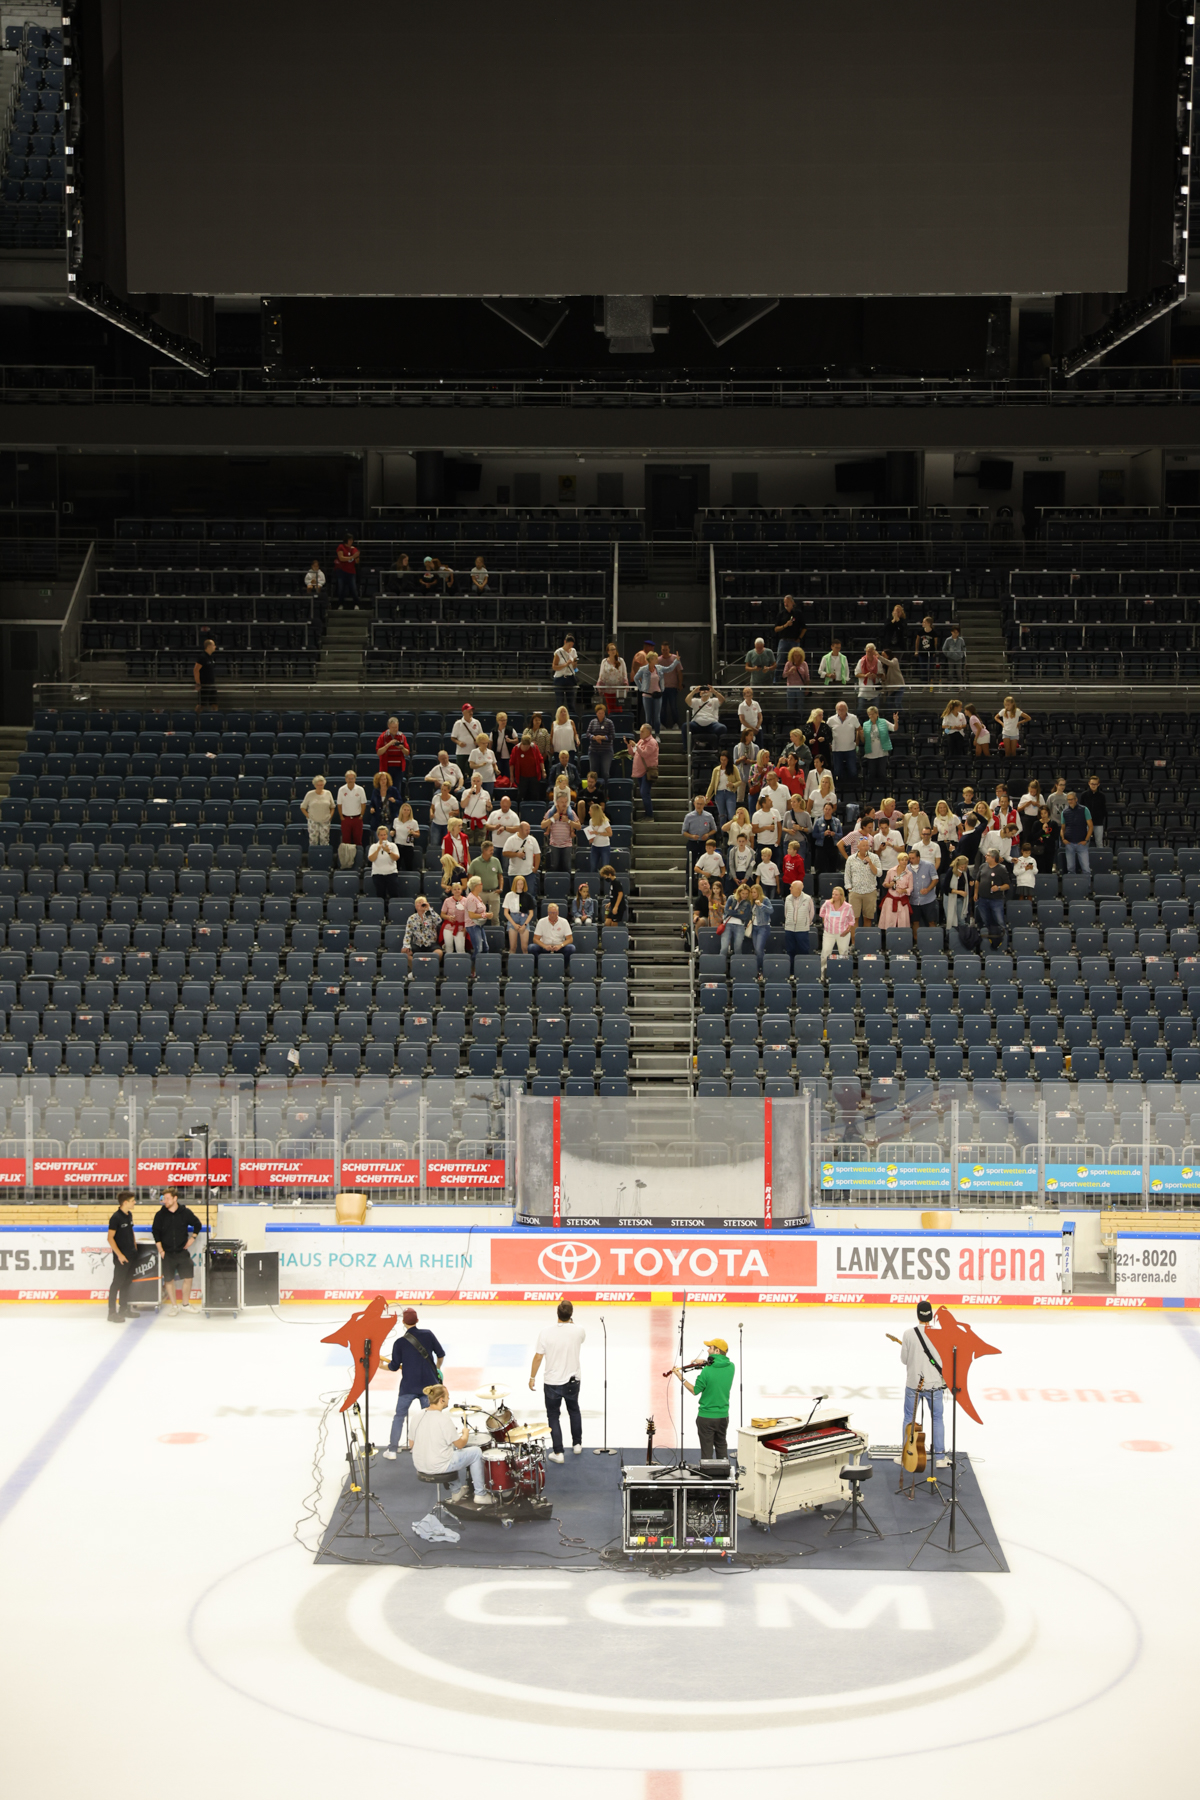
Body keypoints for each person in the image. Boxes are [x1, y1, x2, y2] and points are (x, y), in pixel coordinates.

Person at [410, 1383, 495, 1506]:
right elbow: (460, 1444)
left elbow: (411, 1444)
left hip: (419, 1465)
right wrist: (465, 1434)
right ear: (441, 1400)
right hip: (438, 1466)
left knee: (449, 1450)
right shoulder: (443, 1419)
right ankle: (480, 1494)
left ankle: (457, 1491)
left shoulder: (417, 1416)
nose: (449, 1399)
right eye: (447, 1396)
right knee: (476, 1452)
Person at [382, 1306, 445, 1457]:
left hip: (408, 1386)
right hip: (428, 1386)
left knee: (399, 1417)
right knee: (430, 1418)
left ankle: (392, 1450)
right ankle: (429, 1449)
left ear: (403, 1322)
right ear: (417, 1320)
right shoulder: (428, 1334)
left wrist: (381, 1366)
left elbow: (393, 1366)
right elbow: (441, 1354)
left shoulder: (399, 1342)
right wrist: (437, 1368)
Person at [529, 1299, 586, 1461]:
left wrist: (532, 1377)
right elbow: (579, 1336)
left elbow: (538, 1356)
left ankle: (559, 1452)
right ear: (571, 1314)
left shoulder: (545, 1332)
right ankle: (577, 1444)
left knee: (553, 1415)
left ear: (557, 1314)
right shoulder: (579, 1331)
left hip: (552, 1382)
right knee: (574, 1410)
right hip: (572, 1380)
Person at [898, 1300, 948, 1471]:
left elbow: (904, 1360)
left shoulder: (908, 1334)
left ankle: (906, 1455)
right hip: (934, 1384)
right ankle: (939, 1457)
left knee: (909, 1418)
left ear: (918, 1315)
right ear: (931, 1315)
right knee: (937, 1418)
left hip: (914, 1384)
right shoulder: (941, 1334)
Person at [674, 1337, 735, 1461]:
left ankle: (708, 1471)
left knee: (707, 1451)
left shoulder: (706, 1371)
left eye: (710, 1348)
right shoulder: (731, 1367)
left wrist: (681, 1378)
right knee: (721, 1445)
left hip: (706, 1417)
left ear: (717, 1351)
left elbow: (694, 1390)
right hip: (723, 1417)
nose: (707, 1350)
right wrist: (705, 1362)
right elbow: (718, 1366)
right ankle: (723, 1470)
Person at [152, 1188, 203, 1317]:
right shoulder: (160, 1215)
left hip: (182, 1252)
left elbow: (197, 1224)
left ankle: (185, 1304)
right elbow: (156, 1233)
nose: (165, 1201)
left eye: (167, 1198)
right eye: (164, 1198)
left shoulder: (185, 1212)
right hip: (167, 1253)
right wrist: (161, 1250)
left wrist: (193, 1238)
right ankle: (174, 1306)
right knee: (169, 1280)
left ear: (175, 1198)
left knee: (188, 1277)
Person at [106, 1190, 139, 1323]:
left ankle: (124, 1309)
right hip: (122, 1257)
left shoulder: (129, 1215)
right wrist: (119, 1255)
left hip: (131, 1255)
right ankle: (111, 1313)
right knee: (117, 1284)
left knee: (127, 1283)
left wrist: (134, 1246)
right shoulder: (116, 1217)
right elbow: (110, 1238)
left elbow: (130, 1231)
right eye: (132, 1201)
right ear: (125, 1202)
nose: (134, 1202)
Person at [973, 848, 1010, 948]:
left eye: (988, 855)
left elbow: (1007, 885)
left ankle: (1005, 945)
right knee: (985, 922)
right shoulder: (983, 866)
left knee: (1000, 922)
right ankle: (988, 944)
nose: (985, 856)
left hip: (996, 900)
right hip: (982, 899)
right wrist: (975, 893)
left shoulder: (1002, 869)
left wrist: (998, 888)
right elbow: (977, 881)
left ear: (993, 857)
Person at [845, 838, 882, 924]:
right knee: (853, 919)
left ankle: (866, 933)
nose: (866, 847)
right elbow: (847, 875)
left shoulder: (874, 857)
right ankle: (854, 934)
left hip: (870, 891)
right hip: (855, 892)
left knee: (868, 918)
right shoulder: (851, 859)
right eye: (863, 845)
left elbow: (879, 873)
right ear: (858, 847)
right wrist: (849, 889)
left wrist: (870, 863)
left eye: (867, 845)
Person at [819, 887, 855, 972]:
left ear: (841, 896)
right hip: (829, 933)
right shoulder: (827, 903)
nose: (833, 896)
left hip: (842, 934)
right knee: (825, 952)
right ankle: (822, 972)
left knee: (843, 953)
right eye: (833, 894)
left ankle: (843, 972)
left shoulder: (848, 907)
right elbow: (822, 913)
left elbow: (852, 920)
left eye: (836, 895)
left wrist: (847, 930)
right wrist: (825, 923)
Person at [467, 838, 503, 923]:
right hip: (480, 894)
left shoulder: (496, 861)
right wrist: (474, 892)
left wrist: (501, 888)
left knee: (495, 917)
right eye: (490, 850)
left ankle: (496, 931)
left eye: (492, 850)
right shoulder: (475, 863)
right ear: (484, 851)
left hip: (494, 892)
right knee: (479, 917)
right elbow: (470, 878)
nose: (492, 852)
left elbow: (500, 876)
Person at [402, 893, 442, 967]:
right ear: (415, 906)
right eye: (419, 903)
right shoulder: (411, 918)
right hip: (417, 944)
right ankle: (416, 970)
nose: (421, 904)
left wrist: (429, 909)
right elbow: (408, 934)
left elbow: (439, 921)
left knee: (439, 953)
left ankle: (430, 969)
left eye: (423, 902)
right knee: (405, 953)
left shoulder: (431, 915)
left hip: (431, 944)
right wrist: (406, 946)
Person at [368, 826, 402, 911]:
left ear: (387, 835)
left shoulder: (393, 845)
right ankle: (381, 913)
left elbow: (396, 858)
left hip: (391, 873)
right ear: (378, 836)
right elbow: (371, 859)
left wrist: (388, 851)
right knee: (380, 896)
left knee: (394, 894)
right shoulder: (373, 846)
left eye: (384, 835)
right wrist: (377, 850)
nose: (383, 837)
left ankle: (395, 912)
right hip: (378, 874)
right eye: (381, 835)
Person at [828, 701, 860, 791]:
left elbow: (859, 729)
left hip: (850, 749)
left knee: (853, 770)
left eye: (843, 709)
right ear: (836, 710)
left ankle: (853, 789)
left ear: (846, 709)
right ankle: (838, 789)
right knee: (837, 771)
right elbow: (826, 732)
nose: (841, 711)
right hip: (836, 749)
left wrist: (857, 742)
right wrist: (829, 744)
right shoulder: (831, 720)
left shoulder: (853, 718)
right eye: (839, 709)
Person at [541, 795, 577, 873]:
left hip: (567, 845)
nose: (564, 804)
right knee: (554, 867)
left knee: (567, 867)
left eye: (565, 802)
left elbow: (579, 826)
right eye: (562, 802)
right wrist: (553, 818)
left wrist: (568, 821)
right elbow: (542, 825)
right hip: (554, 844)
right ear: (557, 802)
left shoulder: (571, 813)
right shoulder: (551, 812)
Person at [1060, 790, 1093, 874]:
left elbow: (1090, 826)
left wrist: (1086, 840)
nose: (1070, 801)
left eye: (1072, 799)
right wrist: (1063, 839)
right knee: (1070, 868)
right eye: (1068, 799)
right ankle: (1072, 883)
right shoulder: (1064, 812)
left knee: (1086, 868)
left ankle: (1087, 882)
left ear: (1076, 799)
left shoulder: (1084, 809)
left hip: (1082, 843)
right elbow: (1062, 828)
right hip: (1069, 843)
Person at [658, 642, 686, 741]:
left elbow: (679, 672)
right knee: (662, 707)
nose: (665, 651)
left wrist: (680, 684)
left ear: (669, 649)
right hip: (662, 687)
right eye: (663, 650)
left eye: (666, 649)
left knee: (673, 706)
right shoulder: (658, 660)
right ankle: (662, 724)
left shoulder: (674, 658)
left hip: (673, 687)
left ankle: (675, 723)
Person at [510, 730, 546, 807]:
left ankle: (534, 809)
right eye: (525, 746)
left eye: (528, 746)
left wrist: (543, 771)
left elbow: (540, 759)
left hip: (534, 776)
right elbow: (511, 763)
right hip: (522, 776)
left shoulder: (534, 747)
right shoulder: (516, 749)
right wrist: (511, 776)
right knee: (521, 794)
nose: (526, 748)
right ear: (521, 743)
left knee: (534, 794)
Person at [878, 857, 913, 936]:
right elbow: (885, 883)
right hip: (891, 899)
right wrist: (889, 885)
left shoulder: (909, 873)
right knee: (889, 921)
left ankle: (902, 939)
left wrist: (904, 890)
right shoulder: (891, 871)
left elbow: (910, 888)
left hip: (902, 900)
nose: (904, 862)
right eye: (902, 860)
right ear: (899, 861)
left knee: (902, 922)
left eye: (906, 860)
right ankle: (889, 939)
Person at [704, 749, 739, 828]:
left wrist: (733, 784)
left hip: (730, 793)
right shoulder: (716, 770)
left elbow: (739, 781)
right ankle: (723, 832)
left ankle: (732, 831)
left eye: (724, 760)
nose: (723, 762)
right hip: (719, 793)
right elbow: (712, 784)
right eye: (721, 759)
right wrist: (707, 796)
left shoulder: (733, 768)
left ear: (728, 760)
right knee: (722, 815)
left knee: (731, 814)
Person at [784, 880, 815, 964]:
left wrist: (806, 923)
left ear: (798, 889)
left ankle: (803, 968)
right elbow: (786, 912)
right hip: (789, 929)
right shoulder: (788, 898)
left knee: (803, 950)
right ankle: (791, 969)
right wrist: (789, 921)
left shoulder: (807, 899)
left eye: (792, 887)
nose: (790, 888)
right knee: (790, 950)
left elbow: (811, 913)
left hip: (802, 929)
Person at [533, 902, 573, 966]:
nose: (552, 915)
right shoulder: (541, 922)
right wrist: (544, 946)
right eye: (550, 912)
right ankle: (540, 966)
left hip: (559, 946)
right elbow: (535, 939)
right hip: (545, 946)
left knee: (571, 948)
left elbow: (570, 939)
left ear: (558, 913)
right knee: (532, 948)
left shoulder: (564, 922)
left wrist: (560, 945)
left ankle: (563, 966)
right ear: (548, 913)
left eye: (554, 913)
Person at [376, 717, 410, 793]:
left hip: (398, 768)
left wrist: (401, 747)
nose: (395, 729)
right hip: (386, 767)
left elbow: (407, 753)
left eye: (396, 727)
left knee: (397, 789)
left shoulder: (402, 736)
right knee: (386, 789)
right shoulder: (383, 736)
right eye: (393, 727)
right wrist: (388, 744)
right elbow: (379, 752)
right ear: (389, 727)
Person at [634, 649, 665, 731]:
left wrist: (676, 661)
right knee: (648, 717)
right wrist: (641, 688)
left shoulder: (658, 668)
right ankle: (648, 734)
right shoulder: (643, 669)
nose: (657, 660)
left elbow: (669, 668)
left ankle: (657, 734)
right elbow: (636, 678)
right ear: (651, 660)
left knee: (657, 716)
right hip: (646, 695)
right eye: (655, 658)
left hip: (657, 695)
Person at [585, 702, 616, 784]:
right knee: (593, 772)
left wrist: (603, 737)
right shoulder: (592, 722)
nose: (601, 714)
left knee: (605, 772)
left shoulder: (609, 722)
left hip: (606, 751)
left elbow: (612, 736)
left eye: (602, 713)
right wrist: (594, 737)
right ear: (596, 713)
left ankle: (605, 789)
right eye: (599, 713)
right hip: (594, 751)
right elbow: (588, 734)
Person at [301, 774, 336, 846]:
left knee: (325, 841)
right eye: (318, 785)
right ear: (315, 785)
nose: (320, 786)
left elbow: (332, 807)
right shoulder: (309, 794)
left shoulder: (328, 793)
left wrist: (330, 816)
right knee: (313, 841)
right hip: (313, 821)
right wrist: (308, 816)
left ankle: (324, 853)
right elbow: (303, 807)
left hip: (325, 821)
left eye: (321, 785)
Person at [502, 874, 535, 950]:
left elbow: (531, 913)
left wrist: (524, 925)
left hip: (524, 919)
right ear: (515, 884)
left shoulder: (528, 896)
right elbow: (506, 912)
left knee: (524, 947)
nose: (520, 886)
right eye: (518, 884)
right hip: (513, 919)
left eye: (521, 884)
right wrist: (514, 924)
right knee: (513, 947)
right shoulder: (509, 895)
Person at [911, 846, 940, 929]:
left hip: (928, 900)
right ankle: (916, 938)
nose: (911, 860)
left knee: (932, 921)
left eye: (913, 858)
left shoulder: (929, 865)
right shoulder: (907, 868)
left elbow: (935, 879)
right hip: (914, 900)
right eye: (910, 858)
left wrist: (928, 889)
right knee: (915, 922)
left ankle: (933, 937)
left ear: (918, 858)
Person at [460, 773, 492, 849]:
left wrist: (489, 805)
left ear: (481, 782)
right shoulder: (466, 792)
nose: (476, 783)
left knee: (480, 843)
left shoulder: (485, 793)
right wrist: (469, 795)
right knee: (468, 842)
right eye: (474, 781)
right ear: (471, 782)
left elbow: (489, 809)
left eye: (478, 781)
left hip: (481, 822)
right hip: (468, 821)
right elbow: (463, 805)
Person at [860, 705, 894, 771]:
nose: (871, 716)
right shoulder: (865, 724)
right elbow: (864, 741)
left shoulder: (883, 722)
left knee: (882, 772)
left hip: (882, 752)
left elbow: (894, 728)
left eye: (872, 714)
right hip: (870, 753)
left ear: (877, 714)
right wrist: (861, 735)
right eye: (869, 714)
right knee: (871, 773)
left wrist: (895, 721)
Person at [723, 883, 753, 958]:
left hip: (740, 925)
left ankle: (738, 964)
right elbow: (726, 911)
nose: (745, 895)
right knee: (724, 947)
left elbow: (744, 916)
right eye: (743, 893)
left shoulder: (748, 903)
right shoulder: (731, 898)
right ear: (739, 892)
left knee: (738, 948)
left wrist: (732, 912)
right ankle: (720, 964)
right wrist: (739, 912)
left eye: (746, 893)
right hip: (727, 924)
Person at [1028, 805, 1059, 875]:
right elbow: (1032, 837)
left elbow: (1055, 837)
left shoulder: (1053, 824)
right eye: (1041, 813)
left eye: (1045, 813)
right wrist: (1042, 830)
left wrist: (1045, 837)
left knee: (1048, 868)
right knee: (1040, 869)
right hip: (1039, 850)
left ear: (1048, 813)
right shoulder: (1036, 824)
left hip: (1050, 849)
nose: (1043, 815)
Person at [552, 634, 579, 714]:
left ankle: (572, 717)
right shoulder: (559, 652)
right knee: (560, 702)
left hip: (570, 677)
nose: (570, 647)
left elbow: (574, 667)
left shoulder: (573, 651)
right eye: (569, 645)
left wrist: (574, 662)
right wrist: (565, 664)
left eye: (571, 645)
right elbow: (554, 667)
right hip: (560, 678)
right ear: (565, 642)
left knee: (571, 701)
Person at [584, 801, 613, 874]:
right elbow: (592, 832)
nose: (589, 812)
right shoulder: (591, 821)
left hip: (604, 846)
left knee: (605, 868)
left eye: (590, 811)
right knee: (593, 866)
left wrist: (598, 833)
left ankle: (605, 880)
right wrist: (591, 838)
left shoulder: (604, 822)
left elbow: (610, 833)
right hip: (595, 846)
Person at [464, 877, 490, 956]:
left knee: (485, 948)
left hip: (479, 924)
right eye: (481, 884)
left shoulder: (478, 897)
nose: (482, 885)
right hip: (473, 925)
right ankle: (474, 963)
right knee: (479, 949)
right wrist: (485, 915)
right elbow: (471, 915)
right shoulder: (471, 899)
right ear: (476, 886)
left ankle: (484, 962)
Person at [333, 533, 360, 608]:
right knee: (341, 588)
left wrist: (357, 557)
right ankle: (340, 604)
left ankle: (356, 604)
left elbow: (357, 561)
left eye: (352, 540)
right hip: (341, 571)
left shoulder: (354, 549)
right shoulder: (341, 547)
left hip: (351, 571)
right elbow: (341, 558)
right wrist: (352, 557)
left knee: (353, 588)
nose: (351, 541)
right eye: (350, 540)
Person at [944, 855, 971, 931]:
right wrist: (958, 892)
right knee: (951, 919)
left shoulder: (966, 871)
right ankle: (950, 934)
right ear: (957, 865)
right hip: (950, 898)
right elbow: (945, 888)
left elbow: (968, 879)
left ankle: (963, 934)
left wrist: (971, 881)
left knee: (961, 919)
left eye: (964, 867)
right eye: (961, 867)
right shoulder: (951, 871)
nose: (963, 868)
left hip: (960, 899)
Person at [440, 883, 468, 955]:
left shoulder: (466, 901)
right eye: (454, 889)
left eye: (458, 889)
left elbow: (468, 916)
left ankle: (461, 961)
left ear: (461, 890)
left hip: (460, 927)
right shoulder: (447, 900)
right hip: (449, 926)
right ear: (452, 891)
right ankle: (449, 961)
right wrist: (448, 917)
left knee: (460, 948)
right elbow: (442, 914)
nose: (457, 891)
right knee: (448, 947)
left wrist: (466, 927)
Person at [749, 883, 772, 969]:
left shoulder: (765, 900)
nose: (753, 894)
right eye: (752, 892)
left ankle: (761, 968)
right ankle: (762, 967)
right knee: (757, 950)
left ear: (759, 892)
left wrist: (761, 905)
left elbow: (771, 910)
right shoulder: (752, 901)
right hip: (754, 927)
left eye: (754, 892)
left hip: (763, 927)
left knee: (759, 949)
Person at [193, 637, 218, 711]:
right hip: (204, 685)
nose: (215, 647)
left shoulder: (211, 657)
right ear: (209, 646)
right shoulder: (202, 657)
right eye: (213, 645)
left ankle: (215, 716)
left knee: (214, 703)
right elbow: (196, 670)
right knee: (201, 704)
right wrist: (198, 683)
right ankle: (195, 717)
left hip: (212, 684)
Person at [912, 615, 938, 685]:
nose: (922, 623)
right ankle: (923, 682)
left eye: (924, 622)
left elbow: (935, 643)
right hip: (922, 652)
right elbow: (917, 641)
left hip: (930, 653)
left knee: (929, 668)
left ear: (928, 623)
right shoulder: (920, 632)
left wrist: (934, 652)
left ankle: (929, 681)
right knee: (922, 668)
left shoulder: (934, 633)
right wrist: (916, 650)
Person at [782, 645, 810, 709]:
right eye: (795, 655)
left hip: (800, 687)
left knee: (800, 705)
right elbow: (784, 675)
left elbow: (807, 677)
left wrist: (807, 688)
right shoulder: (788, 664)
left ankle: (800, 715)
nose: (797, 657)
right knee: (790, 705)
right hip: (790, 687)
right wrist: (790, 670)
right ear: (792, 656)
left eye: (798, 655)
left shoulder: (804, 664)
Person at [1086, 775, 1107, 849]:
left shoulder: (1102, 796)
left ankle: (1100, 856)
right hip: (1086, 822)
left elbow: (1103, 809)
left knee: (1099, 842)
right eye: (1092, 783)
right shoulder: (1084, 795)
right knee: (1086, 841)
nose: (1093, 785)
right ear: (1089, 783)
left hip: (1098, 822)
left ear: (1098, 784)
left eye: (1095, 784)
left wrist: (1100, 818)